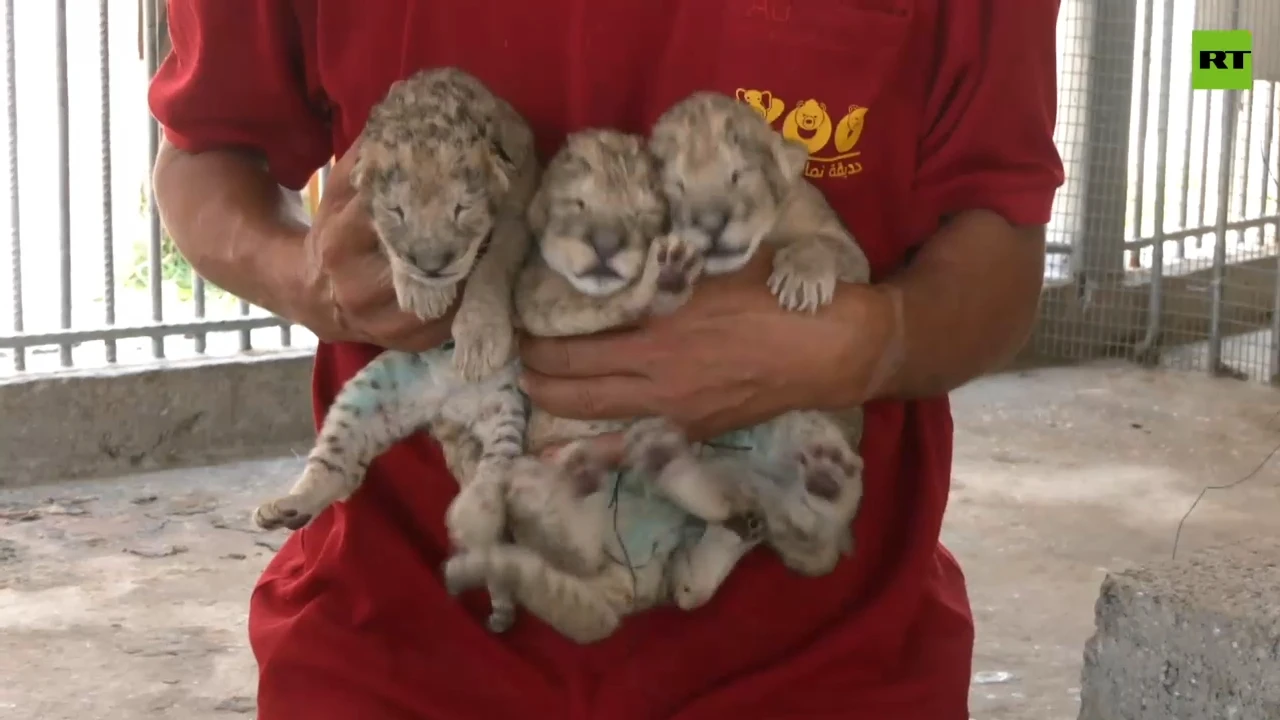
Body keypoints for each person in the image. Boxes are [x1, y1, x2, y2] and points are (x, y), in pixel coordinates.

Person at [149, 1, 1063, 718]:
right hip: (397, 653)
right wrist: (306, 273)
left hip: (822, 668)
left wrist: (870, 344)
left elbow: (1002, 242)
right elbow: (201, 155)